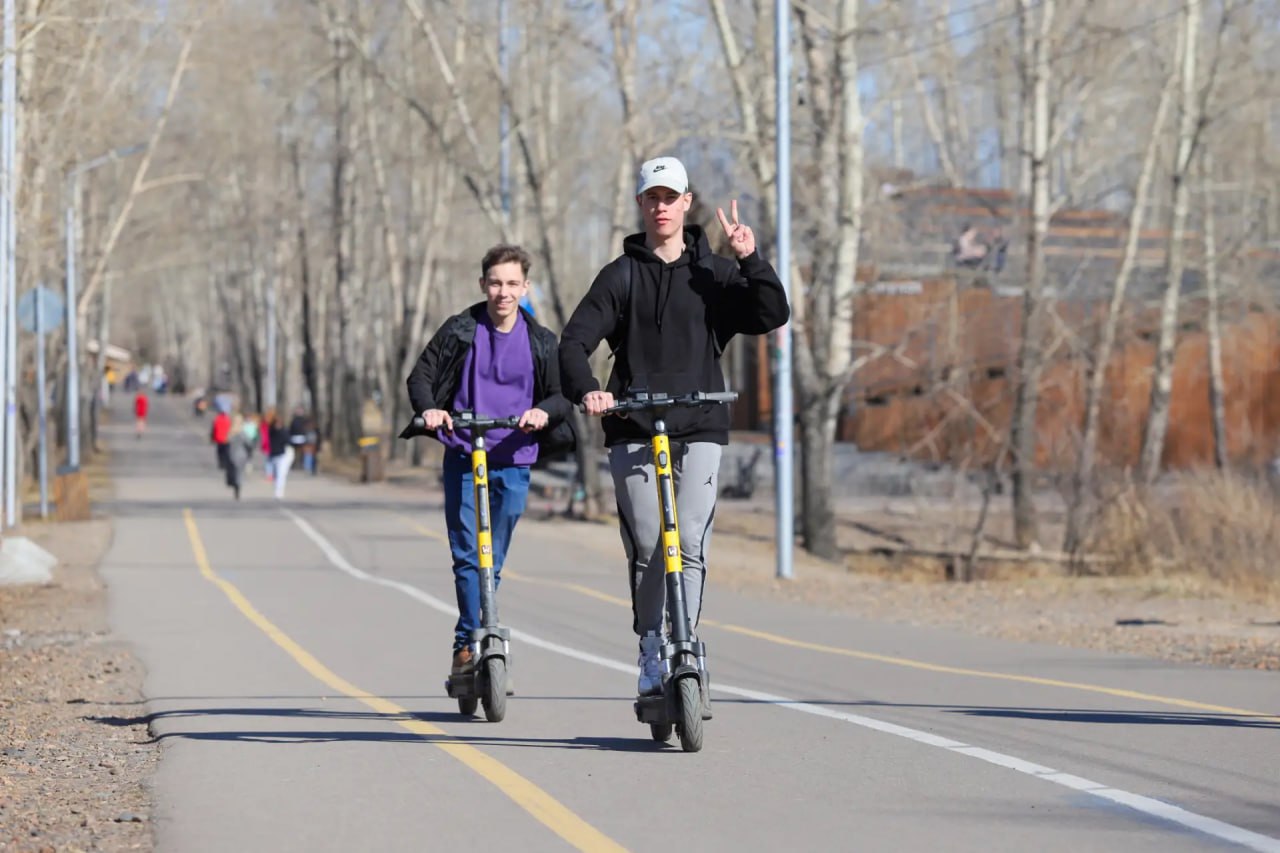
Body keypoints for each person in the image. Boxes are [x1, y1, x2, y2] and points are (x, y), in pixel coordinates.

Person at [558, 155, 790, 695]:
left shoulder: (714, 273)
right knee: (647, 544)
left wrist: (751, 259)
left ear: (687, 204)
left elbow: (769, 314)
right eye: (651, 198)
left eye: (671, 197)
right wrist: (587, 390)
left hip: (701, 423)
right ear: (641, 204)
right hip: (634, 425)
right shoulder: (620, 276)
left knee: (686, 540)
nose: (661, 206)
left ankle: (684, 640)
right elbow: (574, 342)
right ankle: (649, 646)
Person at [404, 244, 572, 679]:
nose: (503, 292)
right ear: (483, 285)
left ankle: (472, 635)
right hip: (464, 449)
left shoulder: (541, 340)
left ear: (525, 287)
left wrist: (542, 412)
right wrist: (431, 410)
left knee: (491, 557)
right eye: (495, 283)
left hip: (514, 454)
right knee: (468, 555)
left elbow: (560, 396)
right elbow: (420, 375)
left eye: (512, 283)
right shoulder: (460, 330)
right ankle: (469, 644)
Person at [265, 409, 294, 500]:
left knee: (281, 474)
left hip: (283, 455)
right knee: (276, 475)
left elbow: (288, 442)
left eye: (279, 423)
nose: (277, 425)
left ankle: (279, 492)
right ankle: (277, 491)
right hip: (274, 455)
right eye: (276, 423)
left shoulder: (284, 431)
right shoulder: (271, 431)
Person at [225, 414, 251, 500]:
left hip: (231, 455)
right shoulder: (242, 433)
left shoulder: (230, 432)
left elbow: (227, 444)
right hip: (241, 455)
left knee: (234, 473)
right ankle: (237, 488)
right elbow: (248, 443)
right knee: (239, 473)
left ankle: (236, 487)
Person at [211, 405, 233, 471]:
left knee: (220, 452)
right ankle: (225, 463)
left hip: (219, 438)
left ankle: (221, 463)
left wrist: (213, 437)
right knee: (226, 452)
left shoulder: (217, 419)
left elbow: (214, 429)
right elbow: (231, 429)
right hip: (227, 438)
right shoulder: (228, 419)